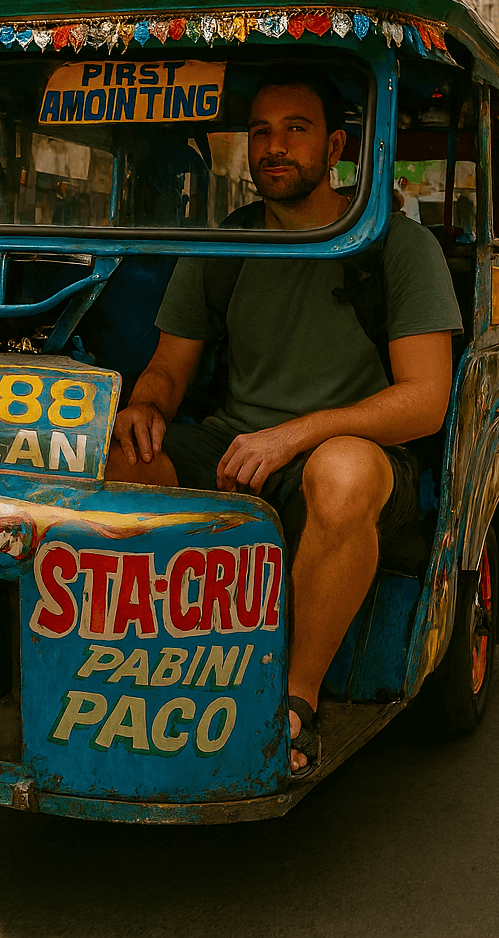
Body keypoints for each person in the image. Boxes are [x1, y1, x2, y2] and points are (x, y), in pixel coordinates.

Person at [106, 70, 462, 777]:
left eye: (294, 130)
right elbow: (169, 369)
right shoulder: (226, 243)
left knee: (343, 468)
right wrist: (144, 407)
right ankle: (136, 674)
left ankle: (296, 701)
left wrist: (297, 434)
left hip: (353, 455)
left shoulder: (398, 246)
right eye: (261, 133)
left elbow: (426, 399)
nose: (274, 147)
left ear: (333, 146)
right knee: (120, 460)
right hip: (236, 441)